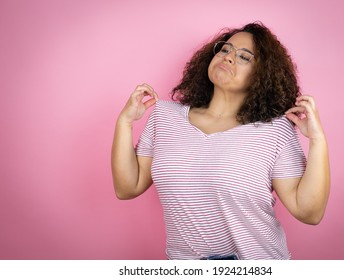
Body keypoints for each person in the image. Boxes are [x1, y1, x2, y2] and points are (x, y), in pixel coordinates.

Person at [111, 22, 330, 260]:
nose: (229, 57)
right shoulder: (164, 116)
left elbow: (309, 212)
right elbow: (127, 188)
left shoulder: (274, 130)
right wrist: (125, 123)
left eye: (244, 57)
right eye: (225, 50)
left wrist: (317, 140)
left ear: (262, 75)